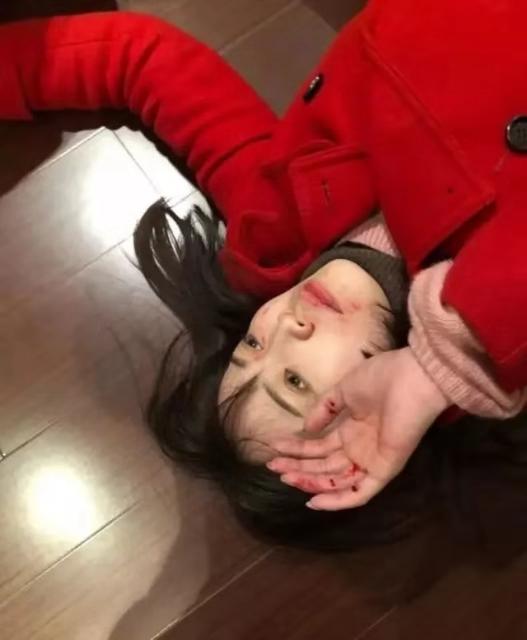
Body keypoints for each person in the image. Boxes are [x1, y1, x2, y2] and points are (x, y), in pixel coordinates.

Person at [1, 1, 526, 550]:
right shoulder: (494, 343)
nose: (285, 327)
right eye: (296, 382)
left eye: (250, 346)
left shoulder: (271, 230)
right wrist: (445, 365)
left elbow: (138, 62)